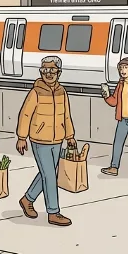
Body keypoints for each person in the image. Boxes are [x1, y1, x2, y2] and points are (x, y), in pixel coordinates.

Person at [15, 56, 74, 227]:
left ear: (59, 72)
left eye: (52, 70)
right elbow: (25, 114)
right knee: (49, 175)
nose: (48, 74)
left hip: (57, 139)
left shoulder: (63, 92)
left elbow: (67, 115)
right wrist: (21, 137)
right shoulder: (35, 92)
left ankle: (27, 199)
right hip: (39, 139)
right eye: (45, 70)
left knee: (47, 173)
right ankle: (53, 212)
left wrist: (70, 136)